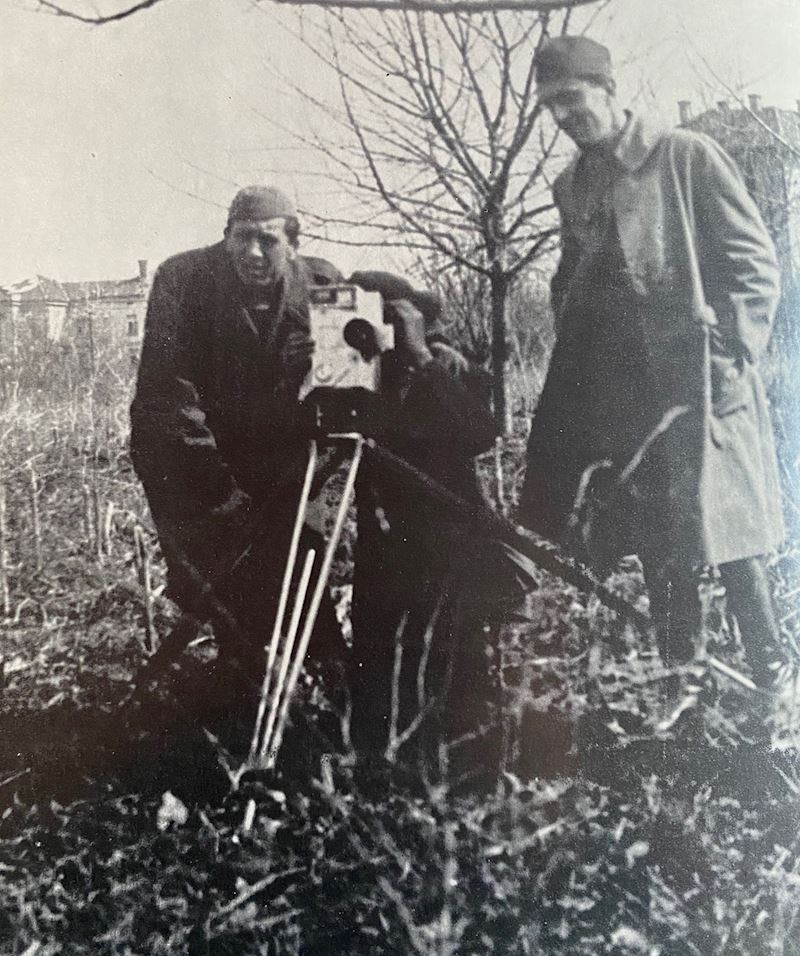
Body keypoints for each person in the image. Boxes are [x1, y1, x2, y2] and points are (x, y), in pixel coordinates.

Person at [518, 37, 786, 699]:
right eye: (550, 107)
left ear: (609, 91)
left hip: (697, 383)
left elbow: (754, 264)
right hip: (624, 397)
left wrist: (731, 350)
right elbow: (569, 280)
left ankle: (777, 682)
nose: (562, 118)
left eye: (572, 100)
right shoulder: (571, 185)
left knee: (730, 536)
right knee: (660, 543)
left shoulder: (684, 155)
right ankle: (686, 685)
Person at [130, 185, 344, 730]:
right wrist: (224, 498)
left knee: (304, 568)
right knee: (225, 577)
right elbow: (167, 397)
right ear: (225, 239)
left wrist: (334, 373)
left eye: (267, 241)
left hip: (294, 462)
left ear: (292, 244)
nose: (253, 253)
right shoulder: (183, 281)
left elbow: (349, 398)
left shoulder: (324, 284)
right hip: (196, 457)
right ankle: (239, 691)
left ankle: (325, 692)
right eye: (241, 239)